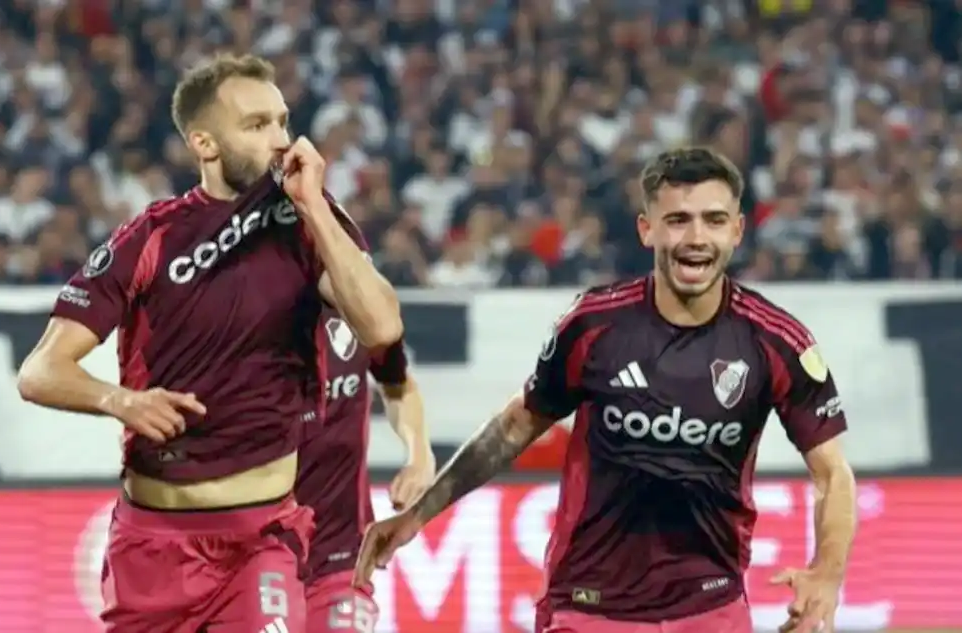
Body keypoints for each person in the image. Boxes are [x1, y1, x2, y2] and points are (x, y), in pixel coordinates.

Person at [354, 147, 858, 633]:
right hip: (588, 605)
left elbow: (833, 474)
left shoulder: (775, 341)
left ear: (737, 231)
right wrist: (419, 514)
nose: (696, 237)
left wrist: (827, 573)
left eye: (714, 220)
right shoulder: (593, 326)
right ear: (647, 229)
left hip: (712, 606)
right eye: (678, 220)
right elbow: (515, 426)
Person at [16, 53, 403, 633]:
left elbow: (381, 327)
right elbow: (40, 371)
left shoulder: (307, 227)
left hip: (261, 540)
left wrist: (315, 207)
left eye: (282, 120)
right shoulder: (152, 238)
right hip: (151, 547)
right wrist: (122, 401)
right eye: (256, 125)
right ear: (205, 144)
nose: (280, 139)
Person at [297, 309, 434, 633]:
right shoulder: (242, 309)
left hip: (340, 558)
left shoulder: (359, 304)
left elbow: (399, 385)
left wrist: (419, 457)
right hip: (255, 551)